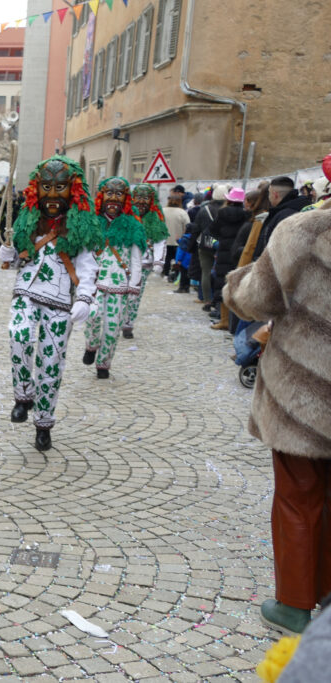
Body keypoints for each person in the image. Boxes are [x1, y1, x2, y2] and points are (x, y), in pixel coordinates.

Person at [224, 208, 331, 635]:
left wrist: (235, 283)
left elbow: (254, 298)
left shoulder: (305, 229)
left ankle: (294, 606)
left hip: (305, 398)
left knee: (298, 498)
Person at [0, 156, 102, 451]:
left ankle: (43, 423)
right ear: (37, 188)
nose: (53, 194)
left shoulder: (82, 226)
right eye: (46, 187)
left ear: (73, 190)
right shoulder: (27, 220)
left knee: (51, 362)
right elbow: (19, 254)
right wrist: (9, 254)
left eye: (60, 187)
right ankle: (23, 395)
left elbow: (88, 266)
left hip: (60, 302)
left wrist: (85, 297)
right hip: (26, 292)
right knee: (18, 335)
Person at [82, 177, 146, 379]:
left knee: (112, 327)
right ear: (102, 196)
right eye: (109, 193)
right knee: (92, 317)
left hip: (120, 285)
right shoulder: (92, 223)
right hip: (95, 283)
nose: (113, 199)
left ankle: (103, 364)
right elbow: (84, 253)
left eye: (119, 194)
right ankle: (91, 345)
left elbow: (136, 258)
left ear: (125, 198)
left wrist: (134, 285)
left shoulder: (133, 226)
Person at [122, 184, 168, 339]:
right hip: (123, 263)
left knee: (135, 294)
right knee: (120, 291)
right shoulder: (125, 216)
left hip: (143, 264)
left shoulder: (156, 220)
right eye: (138, 197)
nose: (141, 201)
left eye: (146, 198)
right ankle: (116, 318)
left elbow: (160, 241)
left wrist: (158, 262)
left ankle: (128, 323)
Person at [209, 187, 249, 330]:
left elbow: (212, 230)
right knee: (237, 284)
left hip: (224, 250)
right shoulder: (247, 215)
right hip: (239, 251)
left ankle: (224, 319)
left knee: (222, 283)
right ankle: (235, 320)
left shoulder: (222, 213)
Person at [253, 176, 310, 260]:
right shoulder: (302, 210)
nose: (269, 197)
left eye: (269, 193)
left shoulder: (284, 216)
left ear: (275, 194)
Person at [162, 190, 190, 281]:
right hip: (178, 239)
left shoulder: (163, 211)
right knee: (177, 259)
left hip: (165, 239)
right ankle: (176, 275)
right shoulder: (182, 212)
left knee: (166, 258)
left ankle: (166, 274)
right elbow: (187, 225)